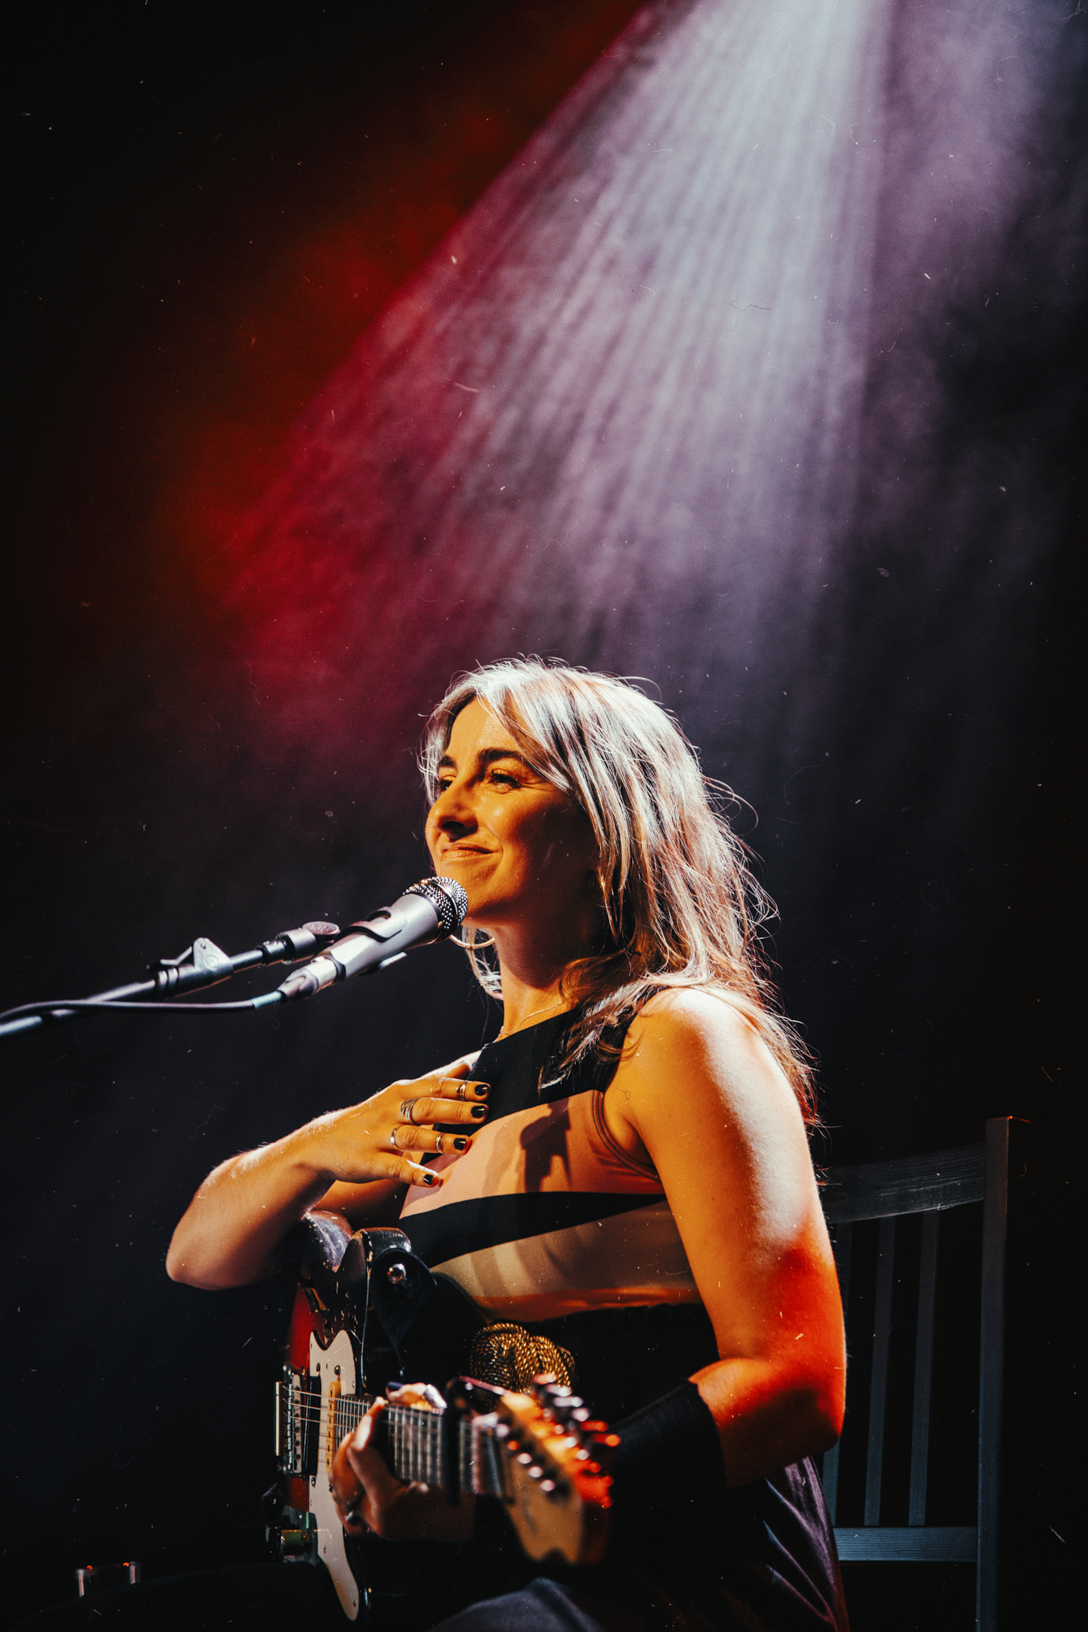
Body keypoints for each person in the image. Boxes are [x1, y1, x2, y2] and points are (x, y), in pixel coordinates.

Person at [27, 661, 849, 1631]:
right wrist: (320, 1146)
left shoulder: (677, 1036)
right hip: (477, 1575)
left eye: (500, 777)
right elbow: (199, 1253)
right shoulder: (451, 1097)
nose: (448, 812)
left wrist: (570, 1487)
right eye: (446, 778)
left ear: (608, 821)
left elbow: (799, 1381)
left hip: (684, 1577)